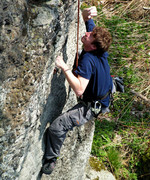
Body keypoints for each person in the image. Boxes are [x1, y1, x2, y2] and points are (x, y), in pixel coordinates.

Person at [42, 6, 113, 175]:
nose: (87, 33)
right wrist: (87, 14)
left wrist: (64, 67)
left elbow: (80, 89)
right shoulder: (97, 48)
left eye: (90, 36)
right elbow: (87, 20)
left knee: (57, 128)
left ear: (93, 46)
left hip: (92, 106)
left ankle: (51, 159)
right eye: (90, 32)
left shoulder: (88, 59)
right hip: (103, 96)